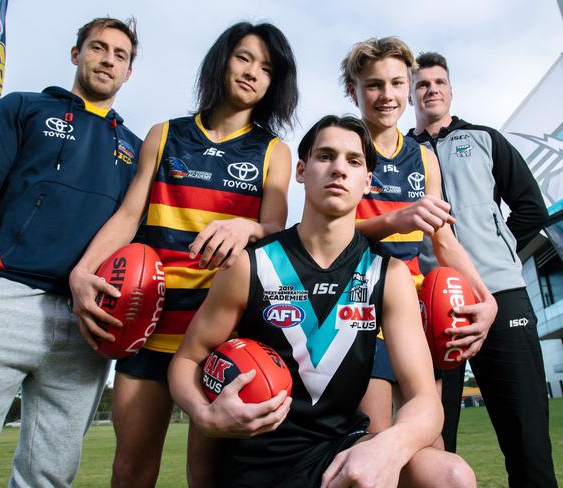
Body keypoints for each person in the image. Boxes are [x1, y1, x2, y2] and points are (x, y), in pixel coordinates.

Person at [168, 115, 476, 488]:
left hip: (342, 452)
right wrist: (204, 414)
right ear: (301, 170)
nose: (339, 169)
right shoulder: (251, 265)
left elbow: (426, 401)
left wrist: (388, 446)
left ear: (367, 181)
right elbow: (187, 360)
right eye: (325, 156)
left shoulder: (388, 275)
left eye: (354, 161)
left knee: (451, 475)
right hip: (255, 455)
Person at [0, 17, 141, 488]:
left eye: (120, 55)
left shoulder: (135, 149)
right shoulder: (25, 109)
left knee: (49, 477)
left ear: (129, 72)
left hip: (85, 322)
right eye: (98, 48)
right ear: (75, 54)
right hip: (2, 299)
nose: (107, 60)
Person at [69, 22, 298, 487]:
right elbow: (129, 216)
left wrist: (247, 225)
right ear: (222, 60)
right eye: (244, 57)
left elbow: (275, 230)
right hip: (148, 323)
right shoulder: (164, 134)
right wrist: (81, 272)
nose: (253, 72)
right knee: (131, 469)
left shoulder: (274, 150)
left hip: (220, 334)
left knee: (207, 477)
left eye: (267, 68)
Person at [408, 51, 556, 487]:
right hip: (433, 303)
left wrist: (499, 246)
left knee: (526, 435)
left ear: (451, 90)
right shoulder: (399, 155)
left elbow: (531, 209)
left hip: (501, 292)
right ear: (412, 94)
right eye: (422, 84)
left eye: (439, 82)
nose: (431, 89)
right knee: (433, 439)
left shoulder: (485, 139)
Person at [338, 37, 498, 433]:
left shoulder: (423, 158)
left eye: (396, 83)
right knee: (373, 443)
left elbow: (443, 241)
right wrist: (395, 220)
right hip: (355, 308)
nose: (387, 95)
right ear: (352, 90)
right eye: (374, 84)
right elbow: (325, 234)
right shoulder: (343, 144)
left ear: (407, 88)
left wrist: (486, 297)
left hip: (413, 313)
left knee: (432, 448)